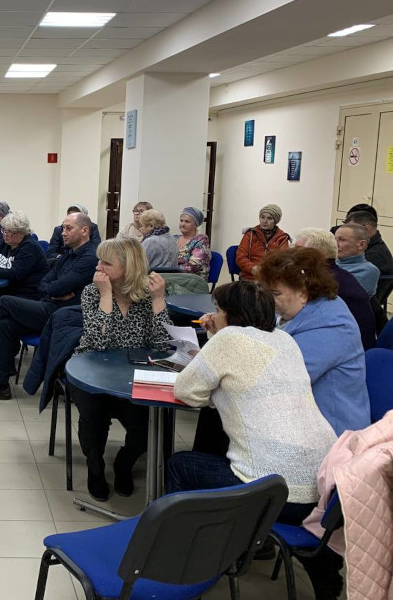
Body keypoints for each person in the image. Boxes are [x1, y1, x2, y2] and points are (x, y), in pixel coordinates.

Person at [169, 281, 342, 599]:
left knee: (180, 465)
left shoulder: (229, 338)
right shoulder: (285, 340)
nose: (213, 316)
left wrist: (215, 338)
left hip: (273, 495)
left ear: (231, 314)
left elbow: (187, 390)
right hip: (323, 493)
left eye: (218, 310)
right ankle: (255, 544)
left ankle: (184, 561)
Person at [0, 212, 99, 401]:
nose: (63, 232)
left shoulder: (89, 258)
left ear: (85, 231)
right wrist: (53, 291)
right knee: (4, 324)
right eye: (63, 228)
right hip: (49, 305)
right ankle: (0, 386)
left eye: (68, 228)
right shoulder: (68, 254)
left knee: (4, 301)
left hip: (63, 315)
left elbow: (53, 286)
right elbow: (45, 283)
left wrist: (53, 290)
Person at [70, 237, 172, 500]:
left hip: (133, 372)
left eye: (106, 262)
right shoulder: (92, 291)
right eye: (99, 260)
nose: (98, 267)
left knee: (148, 425)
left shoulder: (149, 292)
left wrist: (159, 299)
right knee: (93, 418)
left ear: (129, 267)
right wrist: (106, 295)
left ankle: (124, 464)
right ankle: (95, 468)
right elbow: (99, 342)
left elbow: (163, 345)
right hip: (91, 369)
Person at [257, 248, 370, 435]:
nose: (269, 300)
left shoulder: (332, 327)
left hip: (332, 434)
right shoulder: (297, 311)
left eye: (276, 294)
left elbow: (281, 380)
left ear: (303, 293)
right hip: (302, 421)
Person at [294, 228, 375, 350]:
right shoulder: (336, 275)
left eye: (298, 250)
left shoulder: (323, 282)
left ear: (316, 254)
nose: (291, 254)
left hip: (347, 349)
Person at [0, 210, 48, 316]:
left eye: (10, 232)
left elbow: (15, 273)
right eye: (4, 230)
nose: (6, 235)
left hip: (25, 293)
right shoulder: (3, 242)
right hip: (4, 290)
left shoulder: (30, 247)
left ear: (22, 233)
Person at [236, 204, 290, 280]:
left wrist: (270, 272)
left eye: (269, 218)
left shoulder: (282, 238)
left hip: (272, 279)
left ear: (275, 221)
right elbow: (240, 257)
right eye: (262, 217)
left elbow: (283, 261)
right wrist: (252, 268)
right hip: (250, 277)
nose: (265, 221)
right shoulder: (250, 234)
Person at [335, 223, 380, 296]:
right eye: (334, 239)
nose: (335, 244)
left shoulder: (368, 270)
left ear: (361, 245)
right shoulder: (332, 263)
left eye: (342, 240)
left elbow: (340, 293)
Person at [176, 206, 210, 279]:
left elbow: (193, 266)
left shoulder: (201, 240)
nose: (182, 224)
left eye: (187, 222)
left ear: (195, 225)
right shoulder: (174, 238)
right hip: (173, 277)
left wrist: (170, 271)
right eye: (181, 221)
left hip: (193, 280)